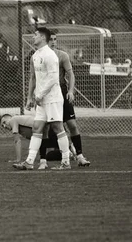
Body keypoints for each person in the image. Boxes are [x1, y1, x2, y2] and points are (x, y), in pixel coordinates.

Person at [13, 27, 71, 170]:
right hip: (41, 99)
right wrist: (30, 97)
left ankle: (66, 161)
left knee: (57, 127)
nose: (33, 37)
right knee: (37, 128)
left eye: (36, 35)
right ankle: (29, 162)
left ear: (43, 38)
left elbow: (53, 79)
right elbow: (34, 78)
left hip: (52, 98)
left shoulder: (50, 55)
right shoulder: (35, 55)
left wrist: (40, 95)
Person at [48, 33, 91, 166]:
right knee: (52, 128)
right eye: (50, 39)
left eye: (55, 39)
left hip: (61, 91)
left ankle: (80, 156)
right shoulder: (40, 57)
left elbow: (71, 74)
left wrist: (71, 91)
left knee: (72, 124)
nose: (53, 42)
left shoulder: (62, 55)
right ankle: (47, 159)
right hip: (48, 94)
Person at [0, 114, 75, 170]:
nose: (4, 126)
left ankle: (69, 151)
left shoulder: (13, 120)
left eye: (4, 122)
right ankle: (69, 151)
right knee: (49, 155)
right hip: (47, 131)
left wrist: (18, 159)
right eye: (2, 125)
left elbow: (17, 141)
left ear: (9, 118)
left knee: (47, 146)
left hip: (49, 130)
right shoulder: (20, 124)